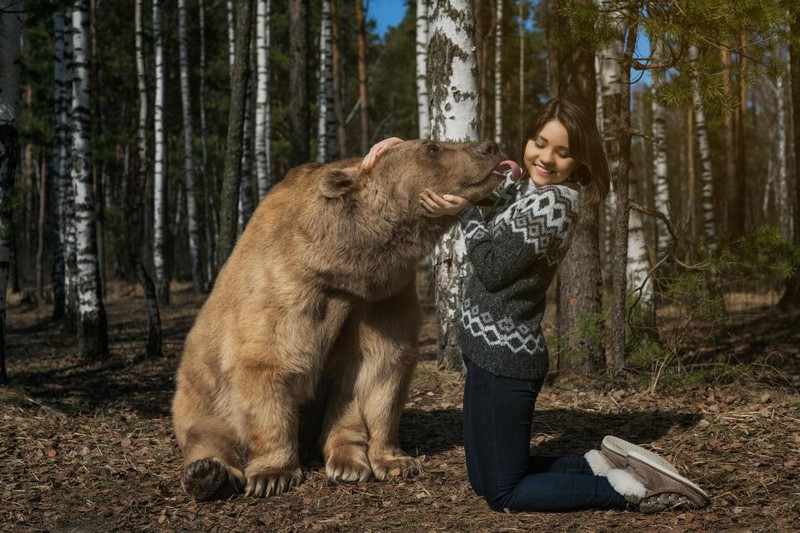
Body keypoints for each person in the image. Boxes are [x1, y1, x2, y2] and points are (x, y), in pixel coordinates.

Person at [362, 98, 710, 513]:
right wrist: (398, 148)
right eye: (539, 143)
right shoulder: (531, 189)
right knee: (483, 478)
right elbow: (490, 180)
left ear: (579, 161)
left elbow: (493, 269)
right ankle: (601, 464)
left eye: (562, 153)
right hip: (482, 350)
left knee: (503, 494)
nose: (545, 158)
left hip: (508, 361)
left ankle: (631, 492)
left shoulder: (556, 204)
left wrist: (467, 214)